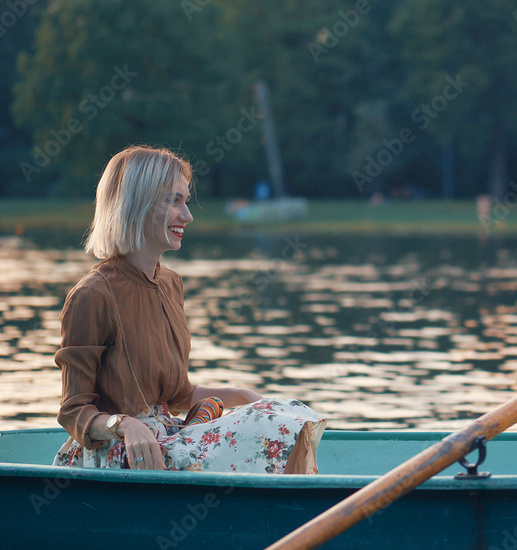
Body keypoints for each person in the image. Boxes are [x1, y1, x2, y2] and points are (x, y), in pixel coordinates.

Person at [53, 145, 326, 473]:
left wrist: (246, 395)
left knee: (288, 412)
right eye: (174, 201)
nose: (188, 215)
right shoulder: (92, 295)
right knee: (268, 425)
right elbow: (73, 411)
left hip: (167, 438)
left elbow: (180, 394)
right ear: (137, 204)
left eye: (186, 200)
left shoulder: (170, 283)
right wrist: (125, 426)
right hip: (120, 453)